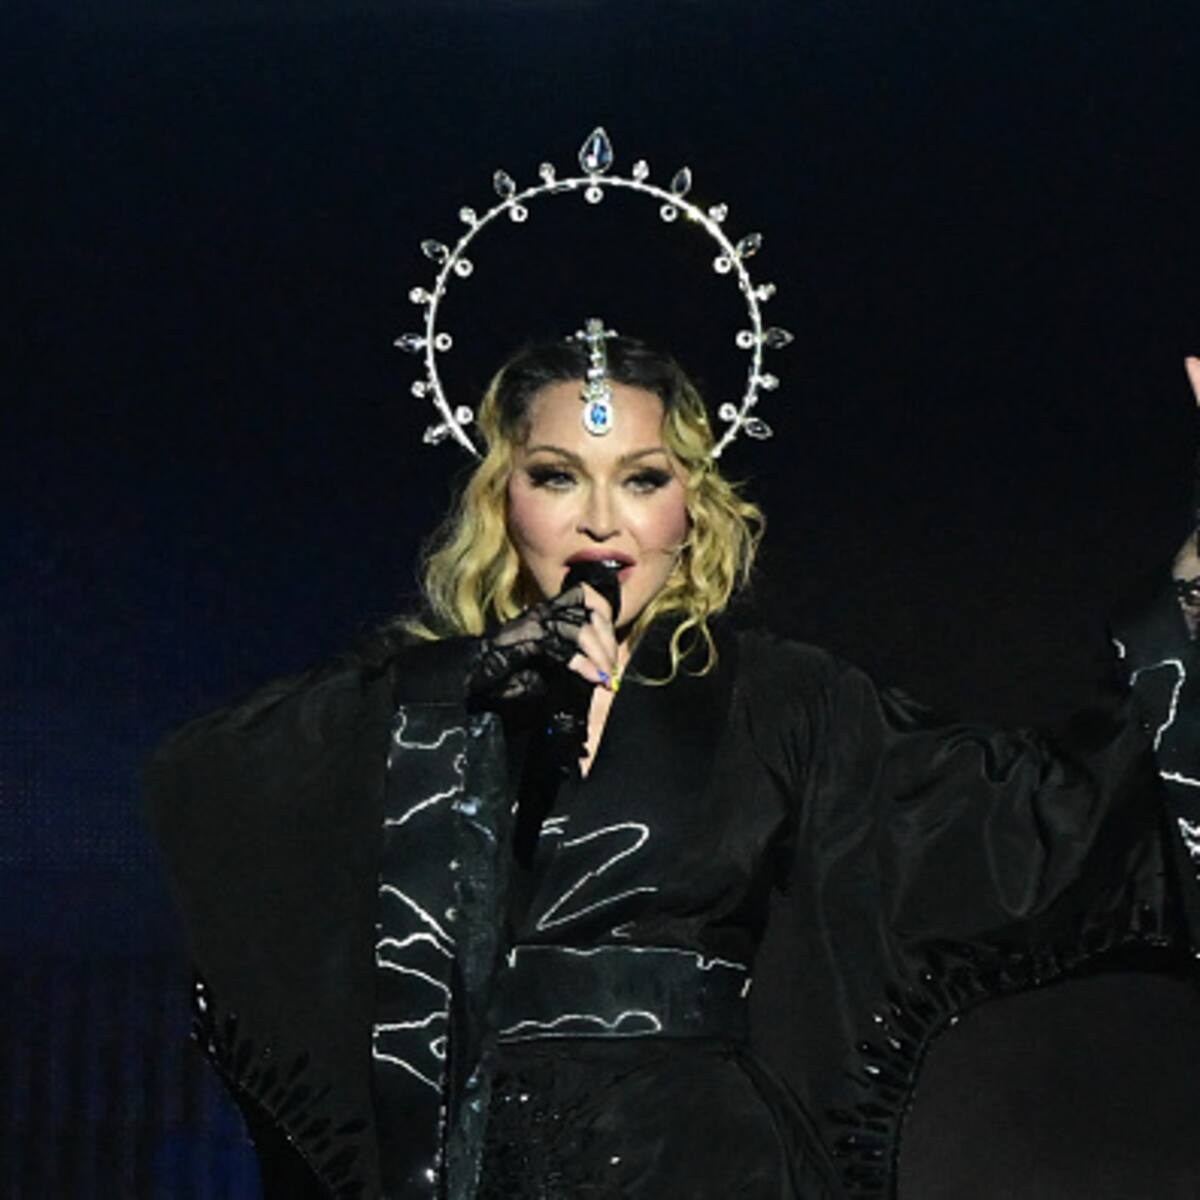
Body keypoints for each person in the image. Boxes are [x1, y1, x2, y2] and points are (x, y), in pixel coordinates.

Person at [145, 330, 1200, 1199]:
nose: (602, 519)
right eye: (558, 476)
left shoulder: (779, 698)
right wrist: (466, 682)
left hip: (703, 1158)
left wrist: (1189, 603)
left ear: (690, 506)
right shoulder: (420, 700)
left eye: (642, 478)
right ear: (504, 498)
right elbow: (207, 785)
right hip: (475, 1156)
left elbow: (1031, 821)